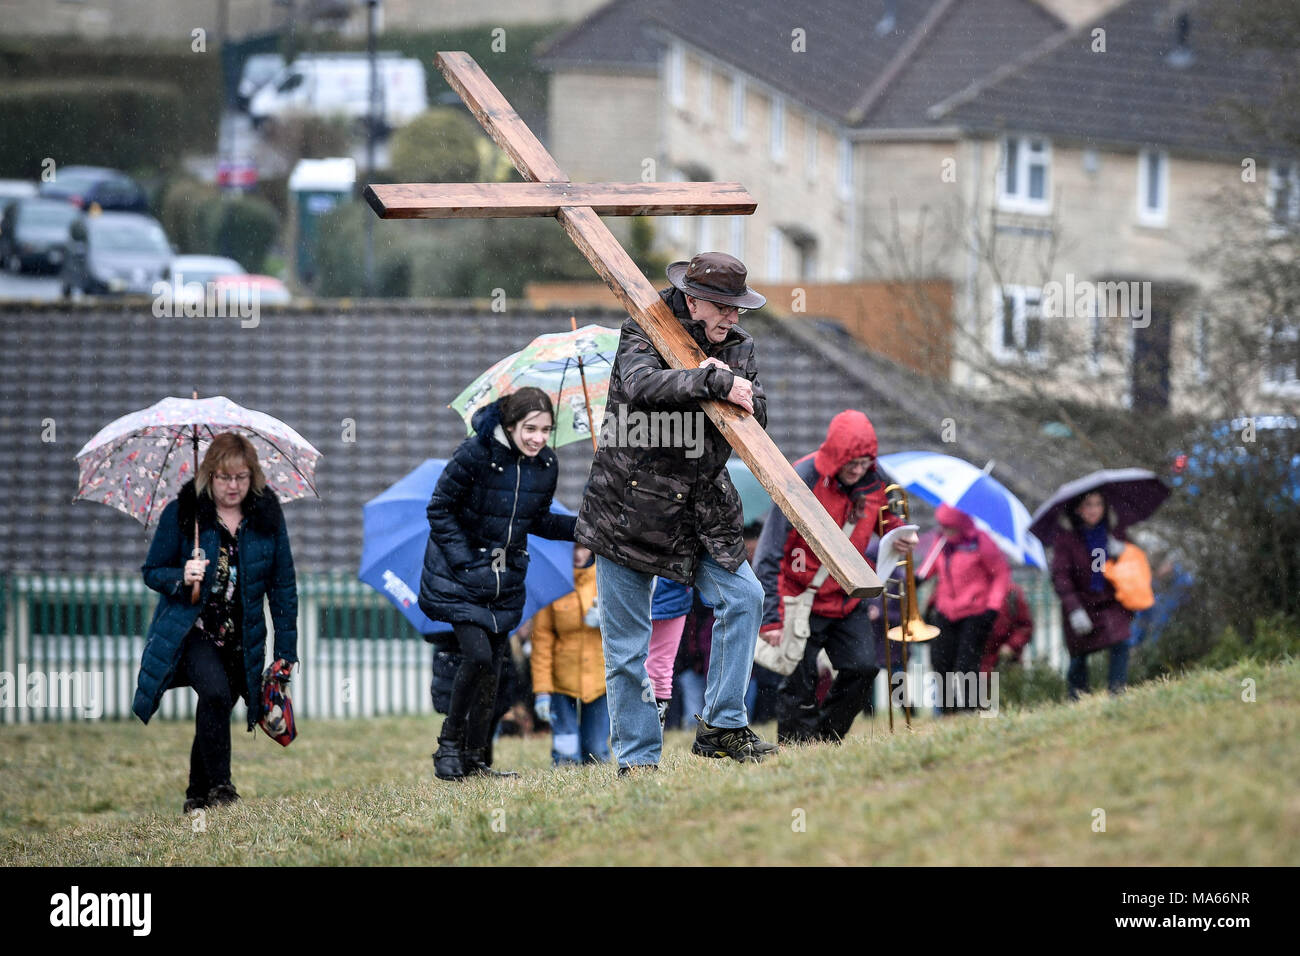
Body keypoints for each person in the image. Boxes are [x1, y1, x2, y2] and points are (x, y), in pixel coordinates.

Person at [575, 251, 776, 770]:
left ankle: (722, 725)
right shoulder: (642, 330)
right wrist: (711, 380)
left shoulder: (739, 346)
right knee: (627, 651)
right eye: (724, 308)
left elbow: (757, 412)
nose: (733, 319)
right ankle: (638, 760)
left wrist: (739, 389)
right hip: (628, 511)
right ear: (693, 300)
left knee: (746, 598)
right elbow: (642, 387)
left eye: (738, 310)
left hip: (702, 510)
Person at [133, 433, 299, 813]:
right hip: (194, 631)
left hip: (241, 636)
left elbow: (283, 587)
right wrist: (182, 574)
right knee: (215, 694)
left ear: (252, 476)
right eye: (224, 477)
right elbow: (151, 570)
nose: (233, 486)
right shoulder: (185, 512)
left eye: (241, 477)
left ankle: (196, 794)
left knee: (218, 706)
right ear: (210, 474)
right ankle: (223, 789)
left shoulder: (267, 518)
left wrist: (285, 652)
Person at [419, 387, 577, 780]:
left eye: (545, 430)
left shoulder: (545, 465)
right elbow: (439, 508)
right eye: (530, 428)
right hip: (460, 578)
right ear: (510, 425)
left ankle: (476, 759)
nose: (538, 438)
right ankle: (448, 747)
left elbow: (536, 520)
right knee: (476, 656)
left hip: (504, 583)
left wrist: (583, 527)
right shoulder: (476, 454)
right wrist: (465, 560)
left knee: (494, 671)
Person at [753, 410, 916, 744]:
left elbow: (890, 522)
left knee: (863, 668)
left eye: (864, 463)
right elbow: (768, 553)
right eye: (850, 464)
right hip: (798, 596)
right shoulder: (802, 477)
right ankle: (798, 749)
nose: (858, 471)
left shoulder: (876, 477)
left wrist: (900, 535)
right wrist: (771, 618)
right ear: (834, 456)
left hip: (847, 595)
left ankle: (826, 739)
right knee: (799, 681)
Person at [926, 505, 1010, 713]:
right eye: (943, 527)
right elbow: (930, 568)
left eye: (950, 528)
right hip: (945, 611)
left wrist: (993, 606)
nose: (946, 532)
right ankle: (947, 712)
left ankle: (968, 711)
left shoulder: (981, 541)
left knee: (967, 665)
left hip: (975, 613)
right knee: (940, 662)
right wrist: (917, 578)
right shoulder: (941, 542)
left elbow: (1001, 574)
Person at [531, 545, 610, 765]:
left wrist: (607, 619)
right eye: (572, 549)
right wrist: (542, 692)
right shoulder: (552, 584)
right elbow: (542, 641)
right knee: (566, 754)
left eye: (583, 548)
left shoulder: (607, 578)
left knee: (596, 752)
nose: (577, 555)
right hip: (561, 680)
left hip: (599, 678)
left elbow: (630, 625)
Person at [1049, 490, 1133, 698]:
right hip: (1081, 604)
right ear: (1078, 509)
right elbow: (1061, 577)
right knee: (1079, 656)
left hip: (1110, 602)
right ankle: (1077, 697)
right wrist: (1074, 609)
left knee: (1121, 642)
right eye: (1089, 505)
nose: (1094, 510)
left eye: (1098, 504)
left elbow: (1133, 566)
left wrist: (1123, 554)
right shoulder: (1066, 540)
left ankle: (1117, 692)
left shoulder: (1114, 533)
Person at [980, 581, 1034, 673]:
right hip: (977, 661)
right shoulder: (968, 592)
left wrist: (1011, 646)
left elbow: (1025, 626)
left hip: (1004, 661)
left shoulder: (1011, 593)